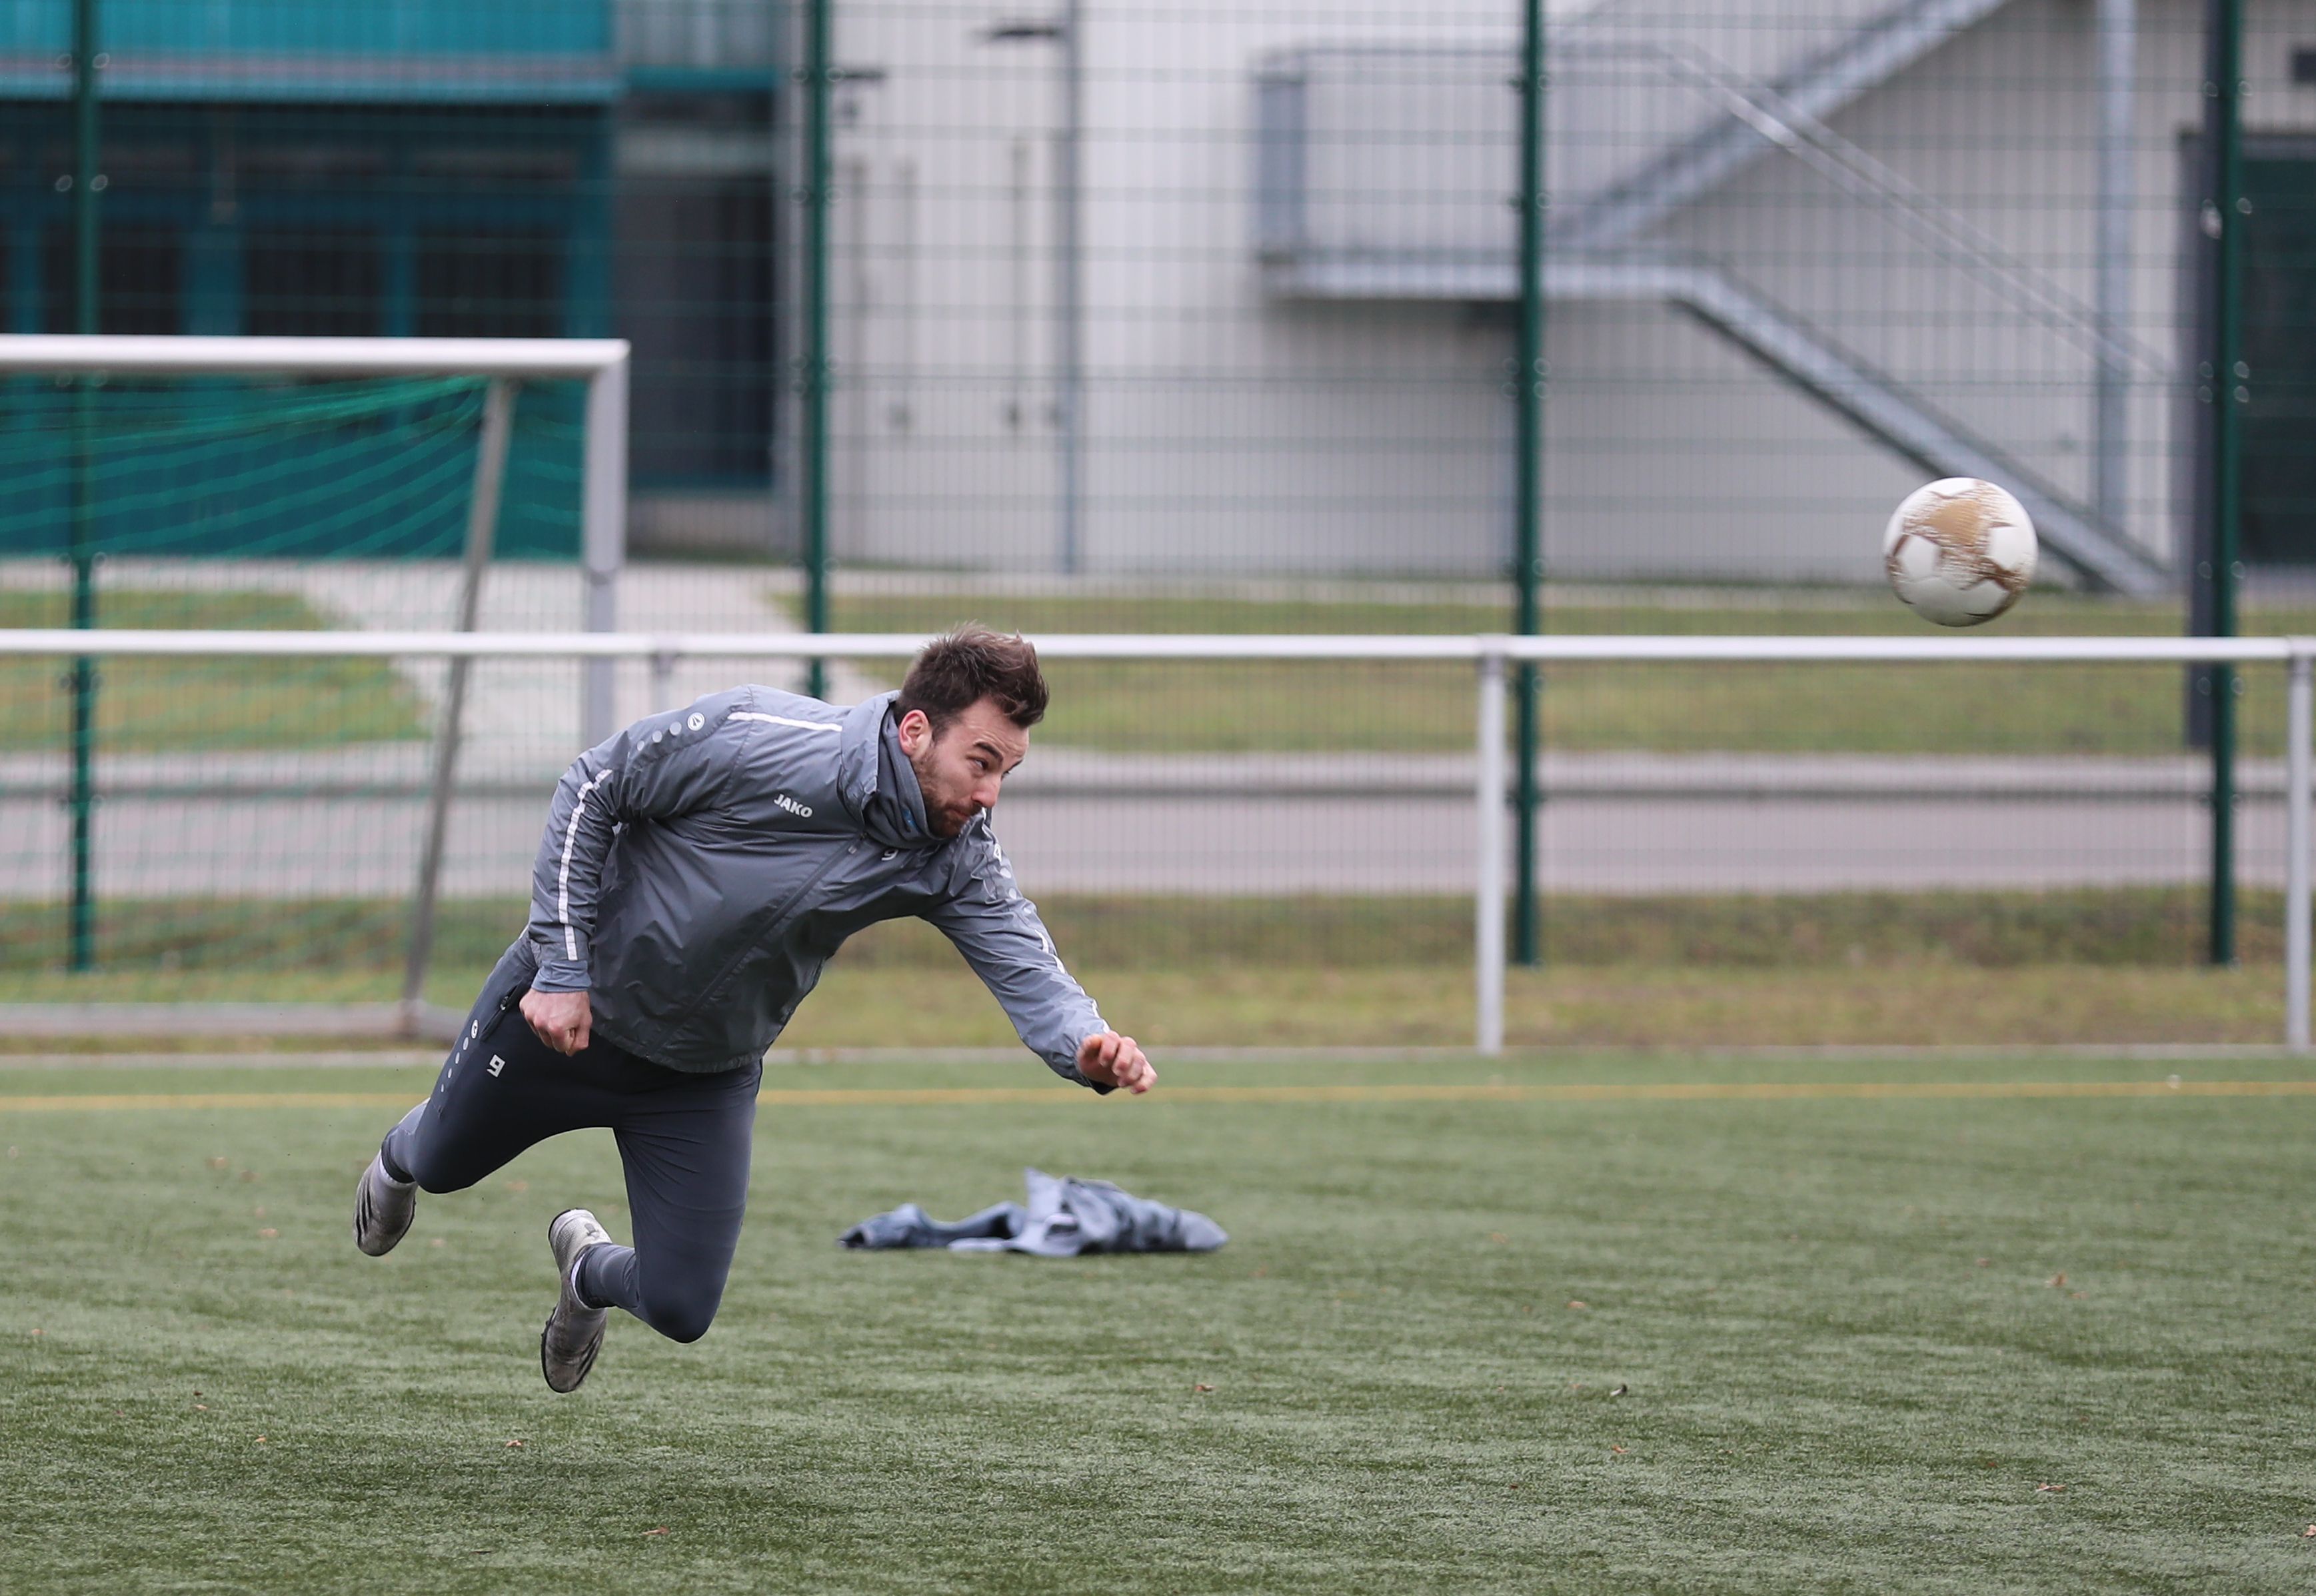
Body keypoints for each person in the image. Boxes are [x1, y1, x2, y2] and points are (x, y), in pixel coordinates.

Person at [352, 626, 1153, 1392]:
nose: (989, 794)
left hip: (700, 1076)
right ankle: (400, 1154)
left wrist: (1084, 1042)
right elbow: (592, 787)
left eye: (1006, 771)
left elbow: (1024, 958)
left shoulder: (955, 855)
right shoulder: (754, 734)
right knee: (442, 1165)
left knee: (681, 1308)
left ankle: (586, 1272)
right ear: (915, 731)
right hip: (567, 1022)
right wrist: (562, 969)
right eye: (981, 762)